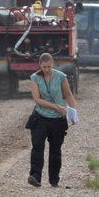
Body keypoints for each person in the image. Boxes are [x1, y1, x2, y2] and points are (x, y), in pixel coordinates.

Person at [26, 52, 77, 187]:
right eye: (44, 67)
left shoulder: (61, 77)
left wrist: (73, 113)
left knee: (55, 150)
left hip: (57, 120)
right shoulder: (35, 78)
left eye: (49, 66)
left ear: (52, 64)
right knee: (37, 147)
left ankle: (54, 180)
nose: (47, 69)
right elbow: (37, 99)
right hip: (40, 117)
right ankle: (35, 176)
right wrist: (55, 106)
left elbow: (68, 94)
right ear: (40, 66)